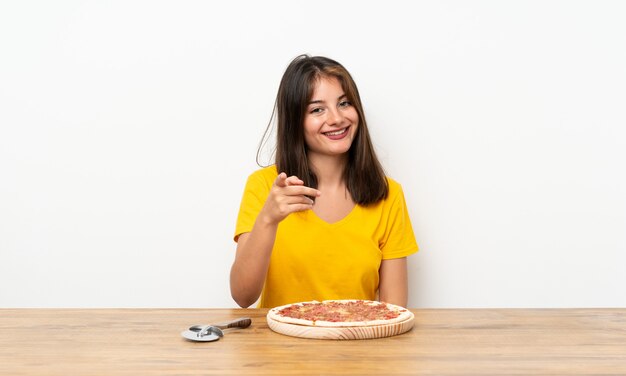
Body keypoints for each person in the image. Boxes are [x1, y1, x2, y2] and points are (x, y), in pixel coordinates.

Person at [230, 54, 418, 309]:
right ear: (296, 122)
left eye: (344, 103)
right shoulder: (264, 187)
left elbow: (393, 308)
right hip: (280, 347)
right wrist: (268, 219)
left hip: (356, 344)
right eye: (317, 109)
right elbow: (242, 296)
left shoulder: (388, 194)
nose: (337, 118)